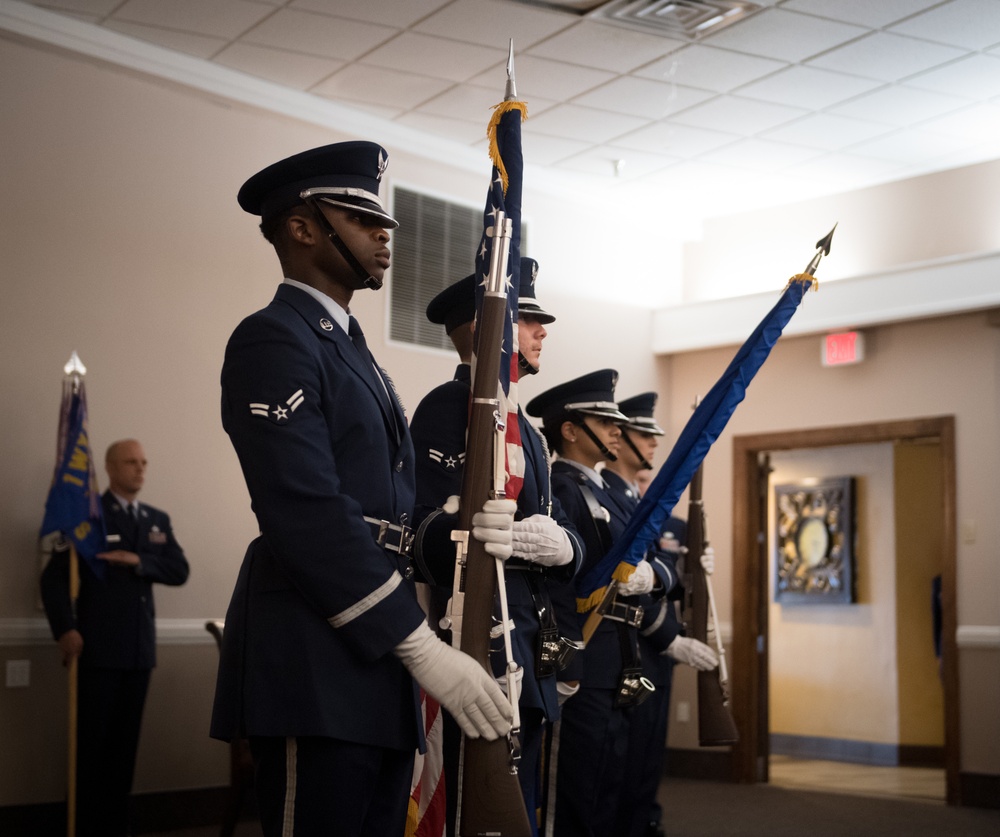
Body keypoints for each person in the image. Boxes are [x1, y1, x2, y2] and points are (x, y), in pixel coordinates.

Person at [208, 141, 512, 837]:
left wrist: (461, 533)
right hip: (315, 653)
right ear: (302, 227)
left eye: (383, 221)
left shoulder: (350, 349)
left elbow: (393, 516)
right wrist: (418, 643)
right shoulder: (273, 339)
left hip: (375, 651)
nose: (384, 234)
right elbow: (306, 511)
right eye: (360, 216)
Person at [409, 258, 583, 836]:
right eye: (528, 318)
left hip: (530, 644)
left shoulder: (526, 429)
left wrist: (566, 549)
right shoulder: (448, 408)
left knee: (517, 806)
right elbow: (427, 528)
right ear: (489, 326)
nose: (541, 333)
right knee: (474, 808)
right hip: (481, 640)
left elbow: (552, 525)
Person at [525, 369, 655, 837]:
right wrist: (567, 657)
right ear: (570, 430)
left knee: (606, 786)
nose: (616, 430)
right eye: (603, 422)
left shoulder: (605, 492)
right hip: (585, 652)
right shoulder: (563, 486)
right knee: (574, 792)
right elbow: (563, 583)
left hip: (616, 653)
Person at [40, 438, 190, 837]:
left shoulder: (155, 518)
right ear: (109, 467)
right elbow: (53, 581)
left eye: (144, 462)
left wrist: (139, 560)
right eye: (130, 462)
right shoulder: (89, 518)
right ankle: (84, 827)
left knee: (124, 755)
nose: (140, 469)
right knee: (90, 752)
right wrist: (66, 628)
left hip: (139, 653)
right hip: (99, 653)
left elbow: (179, 570)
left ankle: (114, 827)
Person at [602, 393, 717, 837]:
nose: (652, 444)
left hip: (650, 641)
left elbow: (664, 579)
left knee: (646, 752)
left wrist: (693, 577)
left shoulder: (637, 505)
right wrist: (667, 636)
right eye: (643, 434)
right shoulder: (612, 499)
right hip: (630, 643)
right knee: (619, 761)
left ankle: (643, 820)